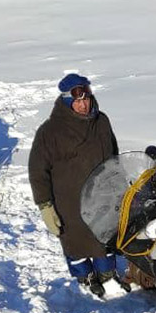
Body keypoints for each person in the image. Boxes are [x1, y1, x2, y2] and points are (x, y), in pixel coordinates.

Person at [29, 73, 120, 297]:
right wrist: (45, 206)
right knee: (75, 242)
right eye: (77, 101)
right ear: (68, 102)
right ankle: (85, 277)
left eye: (86, 98)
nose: (83, 104)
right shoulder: (49, 131)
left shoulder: (102, 121)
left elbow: (114, 153)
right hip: (70, 203)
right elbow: (37, 171)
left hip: (102, 197)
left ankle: (107, 277)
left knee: (104, 239)